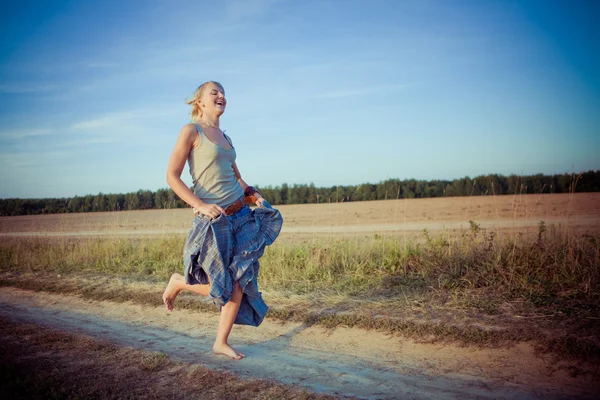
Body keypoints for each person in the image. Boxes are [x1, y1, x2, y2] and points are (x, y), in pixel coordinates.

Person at [161, 81, 283, 360]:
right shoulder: (191, 131)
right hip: (215, 222)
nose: (221, 95)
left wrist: (254, 196)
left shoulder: (225, 138)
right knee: (222, 285)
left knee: (239, 280)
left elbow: (237, 178)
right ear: (199, 102)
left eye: (223, 92)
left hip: (241, 215)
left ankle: (220, 342)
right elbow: (172, 176)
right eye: (214, 92)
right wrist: (200, 205)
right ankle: (179, 282)